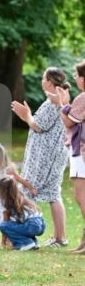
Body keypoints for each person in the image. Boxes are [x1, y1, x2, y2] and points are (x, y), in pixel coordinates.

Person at [11, 67, 70, 247]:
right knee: (53, 194)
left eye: (44, 78)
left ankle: (25, 236)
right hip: (51, 155)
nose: (41, 80)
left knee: (29, 191)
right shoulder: (55, 99)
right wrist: (28, 116)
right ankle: (59, 238)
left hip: (46, 158)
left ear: (50, 82)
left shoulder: (53, 101)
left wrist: (26, 116)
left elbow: (38, 126)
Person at [56, 59, 85, 254]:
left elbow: (69, 122)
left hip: (81, 151)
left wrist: (63, 103)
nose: (75, 79)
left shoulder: (82, 98)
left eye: (76, 75)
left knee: (81, 196)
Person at [0, 142, 35, 244]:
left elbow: (19, 179)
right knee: (2, 219)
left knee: (7, 218)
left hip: (6, 199)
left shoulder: (7, 170)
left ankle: (7, 240)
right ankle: (6, 240)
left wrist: (31, 188)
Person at [0, 176, 46, 250]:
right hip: (41, 224)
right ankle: (33, 243)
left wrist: (3, 242)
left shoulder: (7, 203)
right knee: (22, 225)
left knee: (3, 225)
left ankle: (26, 243)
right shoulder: (21, 197)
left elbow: (6, 222)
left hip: (31, 225)